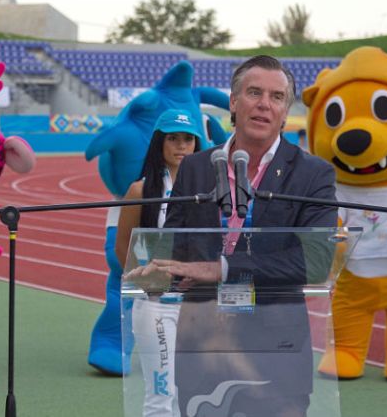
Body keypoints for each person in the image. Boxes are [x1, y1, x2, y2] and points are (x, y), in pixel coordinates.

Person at [129, 55, 338, 417]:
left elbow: (316, 261)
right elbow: (172, 241)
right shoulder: (196, 166)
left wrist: (223, 268)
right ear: (233, 102)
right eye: (254, 92)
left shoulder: (313, 174)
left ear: (285, 112)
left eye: (275, 97)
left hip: (275, 348)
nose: (263, 104)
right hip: (203, 340)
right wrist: (159, 269)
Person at [115, 108, 202, 417]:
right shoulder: (140, 190)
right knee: (160, 395)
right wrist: (148, 282)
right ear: (159, 144)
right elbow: (123, 246)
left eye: (188, 139)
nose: (181, 146)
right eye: (173, 139)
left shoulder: (207, 190)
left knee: (190, 394)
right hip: (157, 303)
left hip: (196, 303)